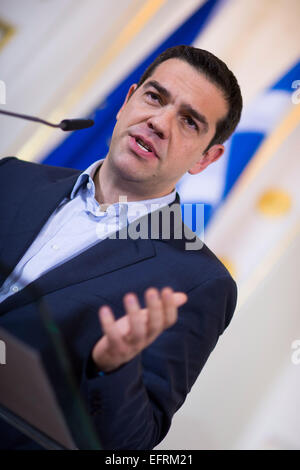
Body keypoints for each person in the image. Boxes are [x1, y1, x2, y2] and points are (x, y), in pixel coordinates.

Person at [0, 45, 242, 450]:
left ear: (206, 158)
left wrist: (114, 368)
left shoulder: (199, 282)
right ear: (128, 100)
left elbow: (129, 448)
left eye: (189, 122)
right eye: (155, 97)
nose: (160, 122)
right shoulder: (12, 177)